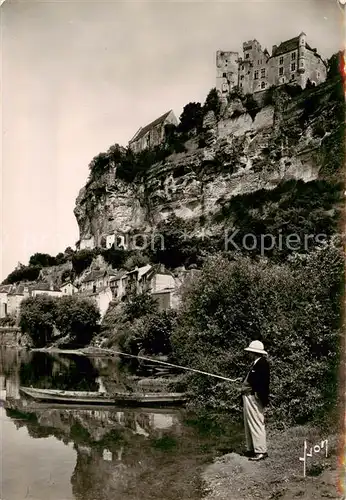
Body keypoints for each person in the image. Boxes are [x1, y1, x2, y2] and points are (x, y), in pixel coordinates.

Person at [241, 340, 270, 461]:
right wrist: (243, 380)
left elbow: (262, 382)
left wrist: (258, 395)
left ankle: (261, 451)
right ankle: (251, 449)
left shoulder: (262, 364)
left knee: (256, 422)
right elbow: (252, 378)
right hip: (248, 396)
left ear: (254, 353)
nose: (249, 354)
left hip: (254, 397)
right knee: (248, 423)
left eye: (250, 352)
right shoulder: (255, 363)